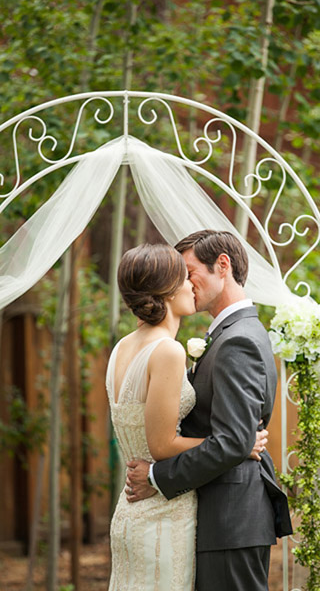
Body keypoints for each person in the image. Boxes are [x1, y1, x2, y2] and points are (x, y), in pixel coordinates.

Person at [125, 230, 292, 591]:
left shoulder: (240, 340)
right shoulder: (225, 336)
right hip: (220, 516)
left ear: (222, 265)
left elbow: (233, 442)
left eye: (188, 271)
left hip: (232, 519)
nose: (182, 283)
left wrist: (157, 477)